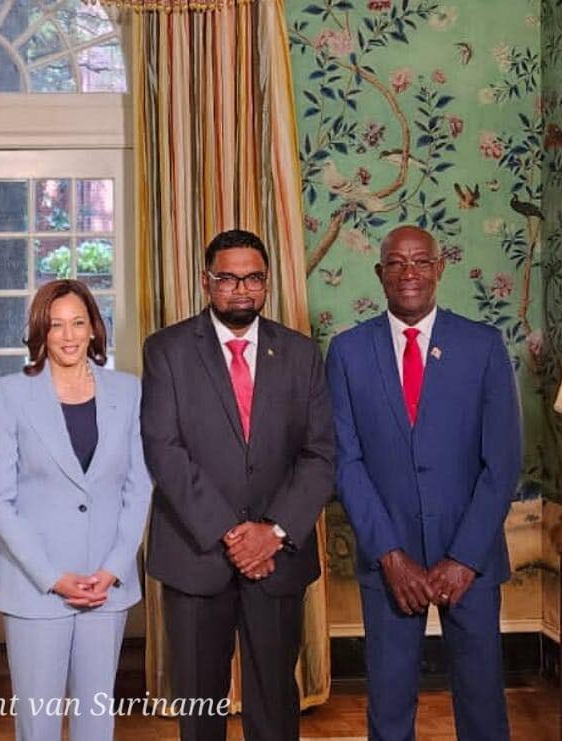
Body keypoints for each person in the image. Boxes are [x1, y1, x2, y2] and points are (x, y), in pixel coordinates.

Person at [326, 225, 520, 740]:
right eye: (396, 262)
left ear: (439, 268)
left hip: (470, 560)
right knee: (389, 707)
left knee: (482, 704)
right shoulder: (347, 352)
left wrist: (464, 559)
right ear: (380, 273)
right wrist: (390, 556)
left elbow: (502, 463)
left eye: (420, 261)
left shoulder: (482, 346)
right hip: (389, 561)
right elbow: (346, 462)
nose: (408, 272)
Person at [140, 229, 334, 741]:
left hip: (278, 558)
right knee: (200, 709)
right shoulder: (167, 351)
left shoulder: (300, 354)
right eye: (228, 278)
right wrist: (234, 535)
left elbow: (320, 454)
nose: (241, 290)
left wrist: (272, 532)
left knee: (275, 706)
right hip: (196, 556)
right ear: (206, 282)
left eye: (253, 278)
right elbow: (164, 451)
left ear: (267, 282)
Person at [0, 279, 150, 741]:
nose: (69, 335)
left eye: (78, 323)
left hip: (105, 586)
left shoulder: (127, 391)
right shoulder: (12, 393)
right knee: (38, 724)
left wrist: (113, 569)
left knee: (96, 719)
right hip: (35, 586)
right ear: (41, 331)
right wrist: (51, 576)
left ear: (95, 328)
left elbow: (138, 487)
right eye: (56, 325)